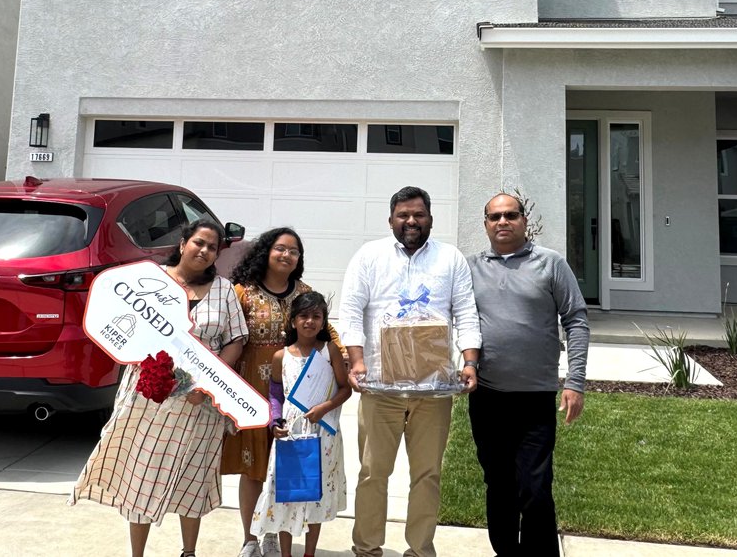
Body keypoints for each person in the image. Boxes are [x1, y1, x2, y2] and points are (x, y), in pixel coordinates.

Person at [70, 218, 249, 557]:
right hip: (151, 397)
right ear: (183, 243)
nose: (205, 251)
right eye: (199, 242)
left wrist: (210, 382)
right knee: (143, 475)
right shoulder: (151, 280)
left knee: (192, 476)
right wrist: (154, 367)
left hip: (201, 403)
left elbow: (236, 340)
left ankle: (189, 552)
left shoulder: (224, 290)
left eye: (212, 247)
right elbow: (122, 327)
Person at [339, 185, 481, 557]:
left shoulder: (450, 259)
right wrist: (356, 360)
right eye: (403, 215)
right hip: (380, 388)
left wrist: (469, 361)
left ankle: (420, 550)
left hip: (432, 389)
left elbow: (466, 313)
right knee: (372, 474)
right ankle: (367, 549)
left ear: (430, 218)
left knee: (428, 474)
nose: (411, 221)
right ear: (391, 220)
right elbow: (351, 313)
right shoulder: (369, 256)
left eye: (418, 214)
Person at [467, 193, 590, 557]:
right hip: (487, 396)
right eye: (495, 217)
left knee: (534, 487)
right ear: (486, 223)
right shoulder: (470, 267)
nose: (502, 222)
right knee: (498, 484)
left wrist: (575, 381)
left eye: (510, 215)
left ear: (523, 220)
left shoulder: (550, 264)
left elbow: (577, 320)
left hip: (535, 397)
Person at [221, 228, 344, 557]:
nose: (287, 255)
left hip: (293, 394)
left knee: (282, 466)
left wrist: (348, 360)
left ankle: (274, 531)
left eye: (294, 251)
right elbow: (227, 333)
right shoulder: (242, 292)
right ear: (266, 252)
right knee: (253, 468)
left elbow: (328, 331)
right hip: (251, 393)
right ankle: (250, 538)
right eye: (280, 248)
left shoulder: (304, 292)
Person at [251, 291, 350, 557]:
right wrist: (274, 422)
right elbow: (275, 394)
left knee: (314, 493)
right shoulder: (281, 357)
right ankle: (286, 553)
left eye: (316, 316)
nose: (310, 321)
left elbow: (345, 389)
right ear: (293, 321)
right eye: (303, 316)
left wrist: (324, 408)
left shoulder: (329, 352)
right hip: (290, 436)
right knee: (288, 492)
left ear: (323, 320)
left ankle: (309, 552)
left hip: (322, 433)